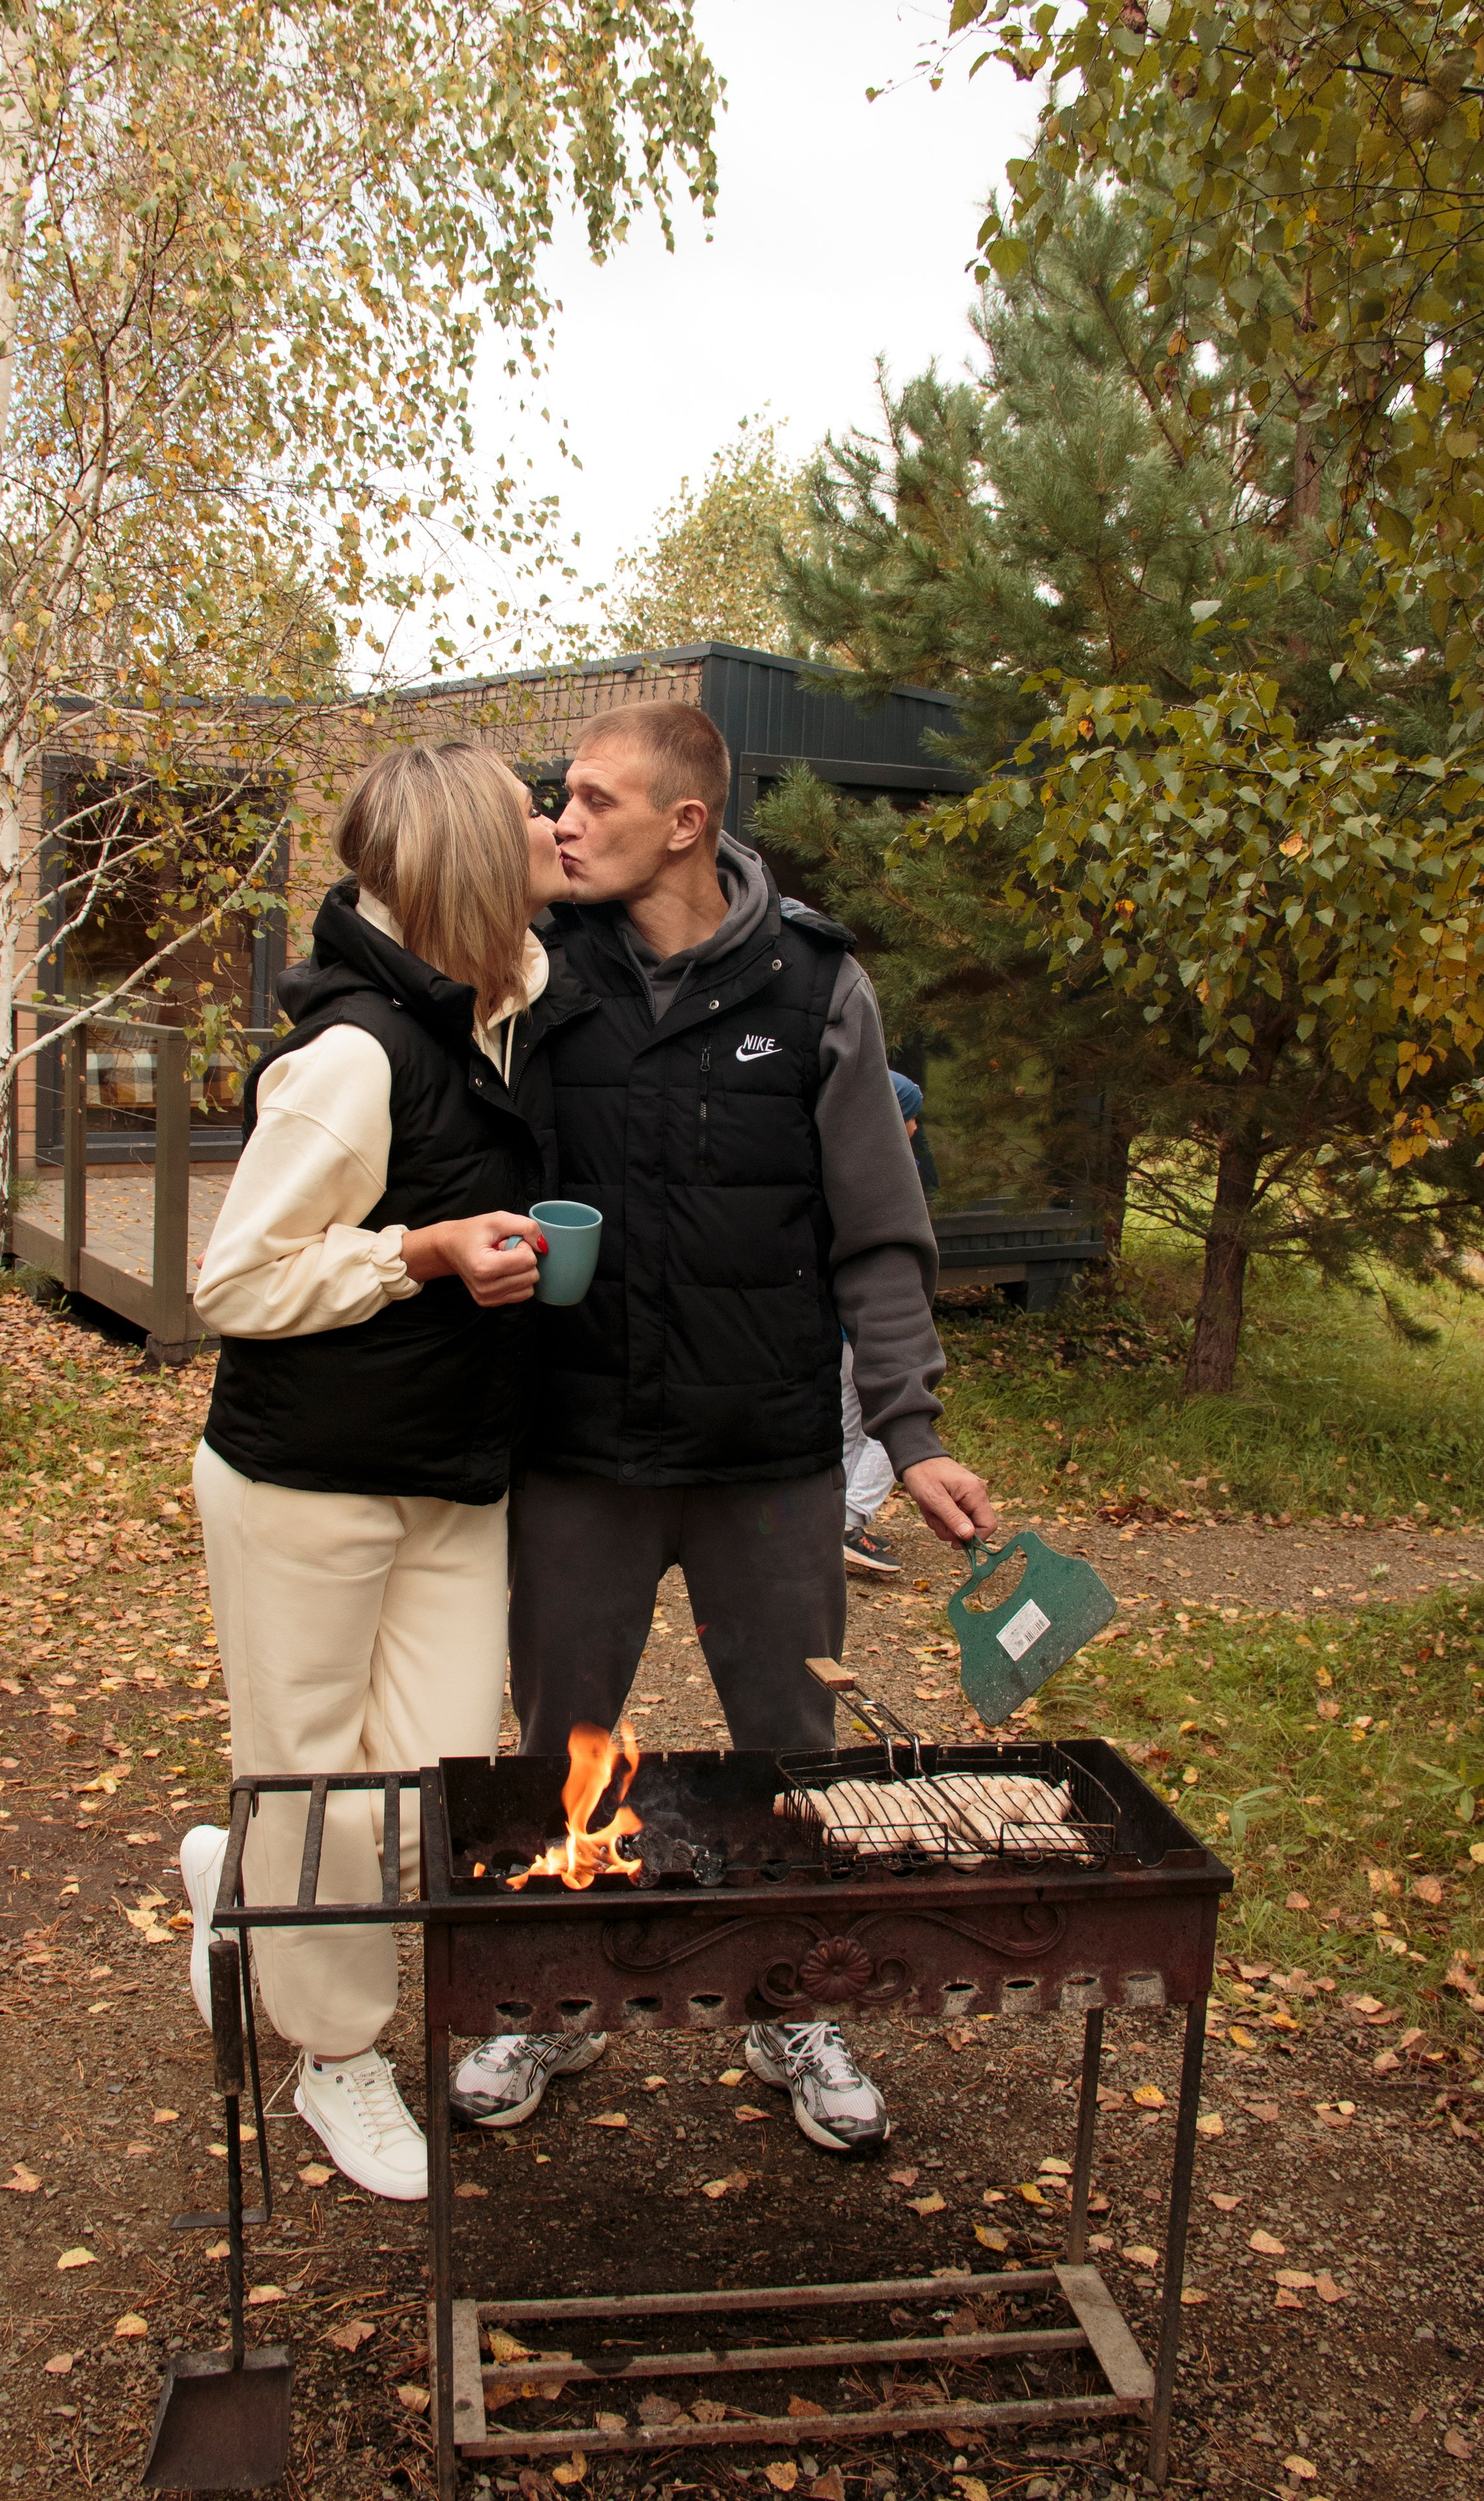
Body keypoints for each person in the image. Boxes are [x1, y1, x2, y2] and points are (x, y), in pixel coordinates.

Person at [450, 700, 996, 2158]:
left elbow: (878, 1235)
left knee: (788, 1751)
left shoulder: (815, 986)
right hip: (580, 1450)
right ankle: (548, 1993)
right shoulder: (533, 971)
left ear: (684, 823)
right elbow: (365, 925)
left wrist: (912, 1428)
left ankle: (787, 1997)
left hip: (765, 1461)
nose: (558, 821)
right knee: (561, 1738)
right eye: (553, 801)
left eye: (588, 801)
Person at [175, 740, 578, 2202]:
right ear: (468, 863)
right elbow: (231, 1281)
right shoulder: (353, 1056)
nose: (554, 828)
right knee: (314, 1773)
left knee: (424, 1789)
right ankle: (336, 2056)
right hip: (309, 1479)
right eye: (531, 817)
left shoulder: (505, 1010)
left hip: (454, 1473)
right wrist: (415, 1250)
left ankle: (246, 1870)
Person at [842, 1073, 928, 1577]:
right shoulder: (890, 1172)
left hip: (840, 1327)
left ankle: (835, 1521)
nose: (917, 1126)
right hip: (870, 1326)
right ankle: (851, 1522)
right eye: (910, 1114)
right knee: (888, 1424)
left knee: (849, 1423)